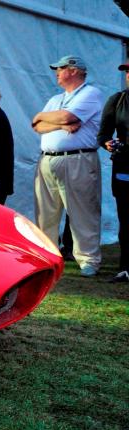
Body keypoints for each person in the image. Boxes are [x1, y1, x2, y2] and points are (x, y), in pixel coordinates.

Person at [32, 55, 104, 278]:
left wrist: (58, 119)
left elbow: (67, 115)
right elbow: (36, 125)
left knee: (82, 211)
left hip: (78, 159)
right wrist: (48, 118)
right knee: (46, 212)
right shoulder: (56, 98)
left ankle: (88, 260)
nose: (57, 72)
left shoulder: (91, 93)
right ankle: (48, 256)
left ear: (74, 70)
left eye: (61, 68)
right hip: (47, 159)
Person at [96, 59, 129, 283]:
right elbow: (103, 134)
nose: (128, 75)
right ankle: (126, 268)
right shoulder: (117, 100)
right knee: (126, 218)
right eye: (127, 72)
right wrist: (108, 143)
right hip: (124, 167)